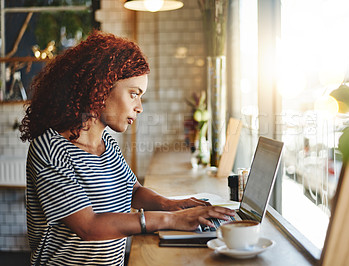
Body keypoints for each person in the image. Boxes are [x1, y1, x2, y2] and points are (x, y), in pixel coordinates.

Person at [19, 31, 234, 266]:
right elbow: (88, 226)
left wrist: (173, 205)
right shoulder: (50, 148)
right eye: (134, 94)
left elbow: (133, 191)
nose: (139, 107)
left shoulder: (107, 144)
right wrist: (170, 220)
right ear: (99, 88)